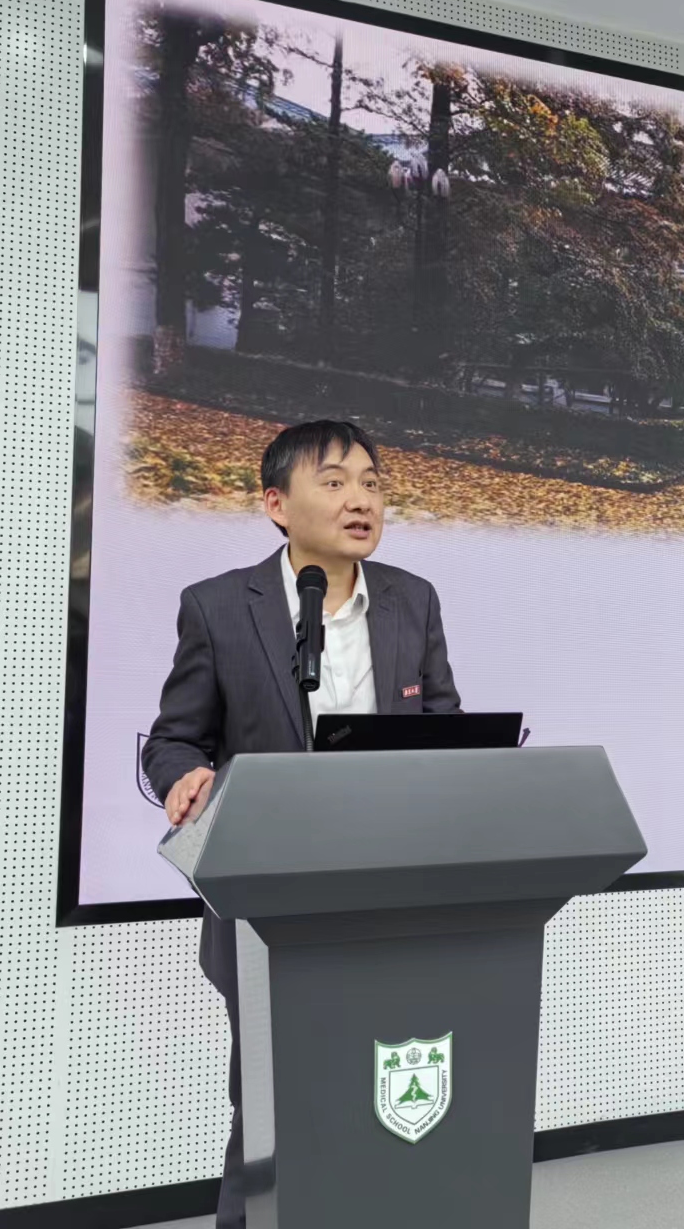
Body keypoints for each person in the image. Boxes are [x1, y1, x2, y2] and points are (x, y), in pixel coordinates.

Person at [141, 419, 460, 1229]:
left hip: (390, 891)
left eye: (372, 483)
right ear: (277, 505)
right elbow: (174, 739)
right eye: (336, 482)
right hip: (265, 895)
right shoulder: (218, 607)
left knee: (381, 1086)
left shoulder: (413, 601)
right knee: (272, 1096)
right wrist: (183, 777)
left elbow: (445, 732)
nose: (362, 500)